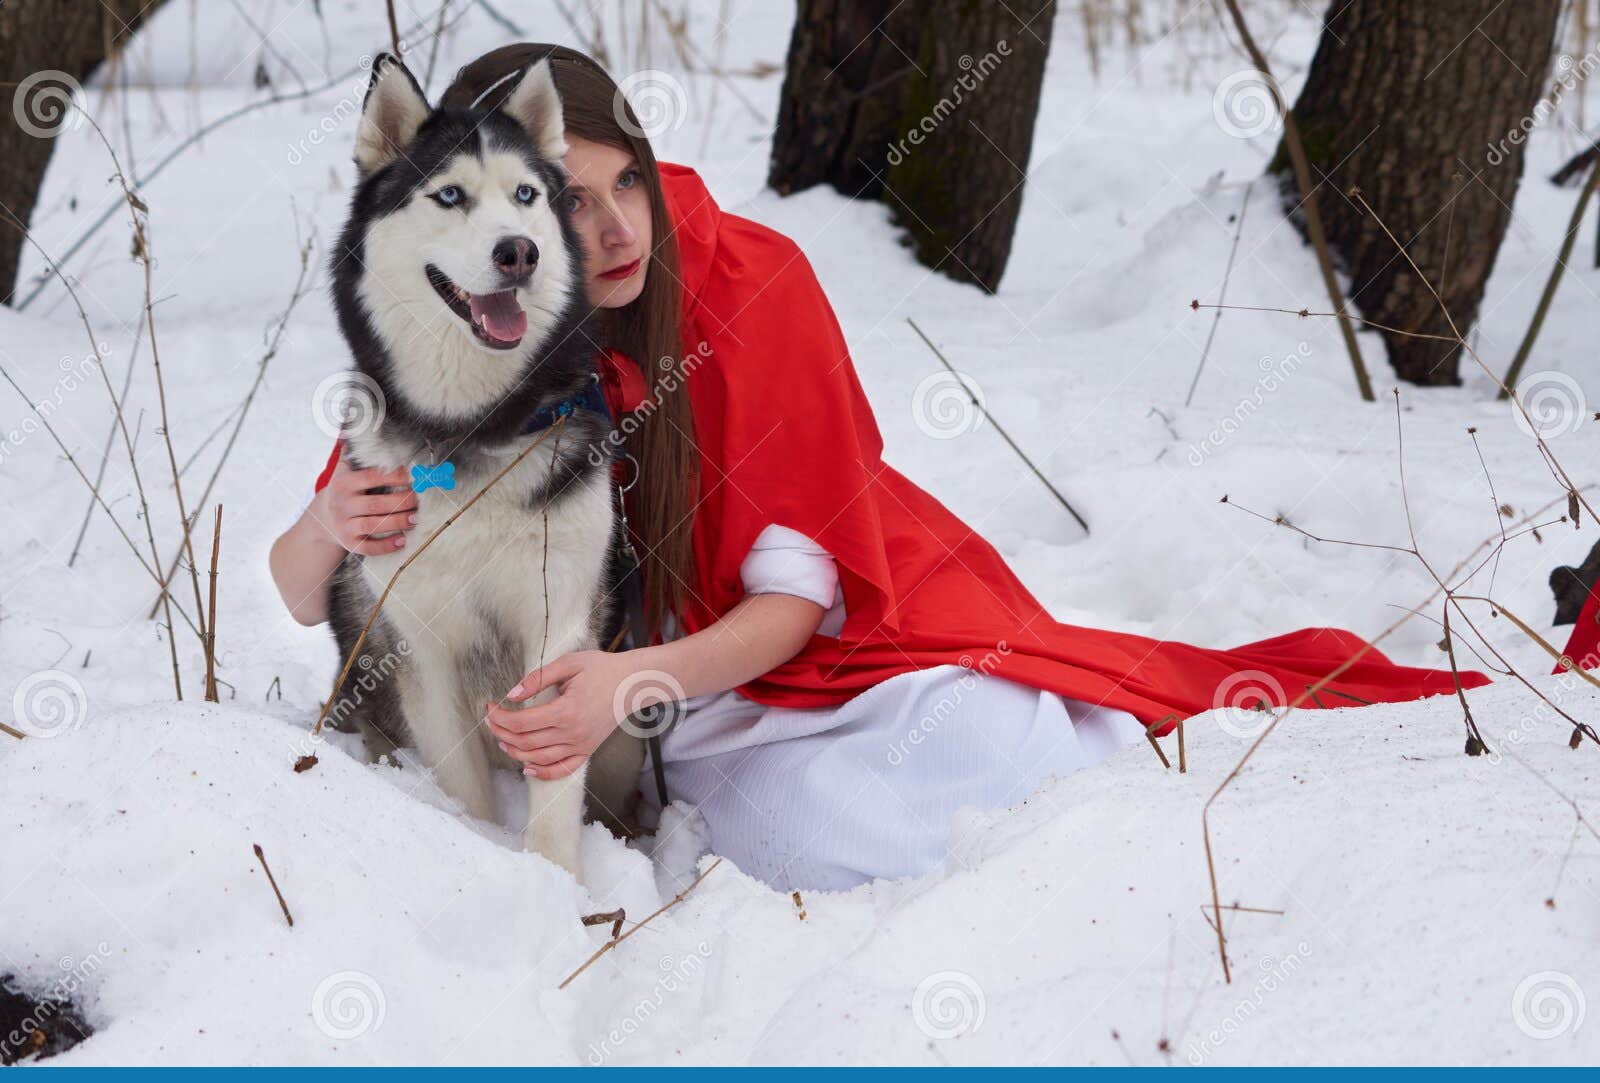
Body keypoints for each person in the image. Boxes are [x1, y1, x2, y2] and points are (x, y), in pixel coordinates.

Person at [270, 44, 1490, 892]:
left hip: (826, 632)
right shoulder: (486, 329)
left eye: (624, 182)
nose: (610, 230)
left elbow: (800, 599)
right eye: (565, 202)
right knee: (821, 838)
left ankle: (1225, 849)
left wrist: (634, 675)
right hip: (702, 715)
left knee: (1002, 759)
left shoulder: (752, 283)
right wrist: (334, 516)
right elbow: (297, 579)